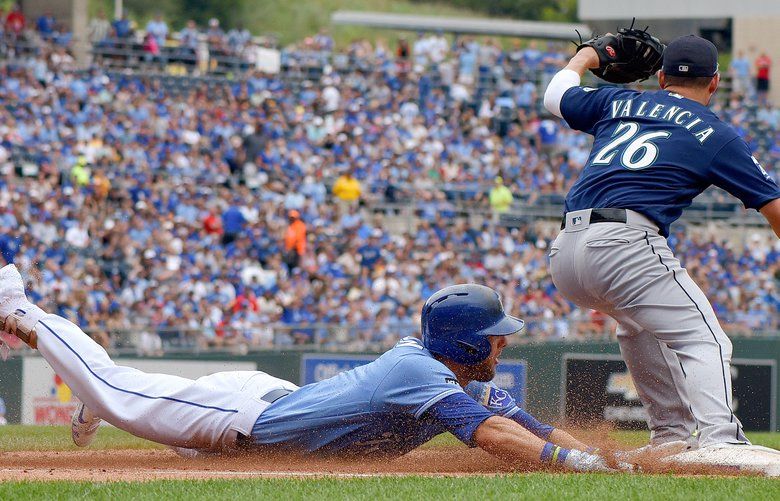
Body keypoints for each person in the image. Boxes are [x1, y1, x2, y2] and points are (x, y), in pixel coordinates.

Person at [0, 267, 620, 472]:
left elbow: (533, 430)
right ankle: (20, 309)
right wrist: (575, 464)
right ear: (462, 341)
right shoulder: (421, 373)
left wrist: (598, 459)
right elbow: (493, 437)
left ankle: (101, 399)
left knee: (147, 411)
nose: (502, 346)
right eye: (494, 338)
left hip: (271, 403)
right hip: (245, 417)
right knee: (114, 388)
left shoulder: (448, 374)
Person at [543, 35, 780, 462]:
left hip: (565, 252)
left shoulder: (619, 101)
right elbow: (774, 209)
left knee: (640, 324)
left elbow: (555, 95)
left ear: (661, 77)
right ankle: (722, 439)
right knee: (705, 339)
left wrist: (589, 55)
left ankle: (670, 434)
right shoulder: (717, 134)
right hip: (623, 244)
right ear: (715, 82)